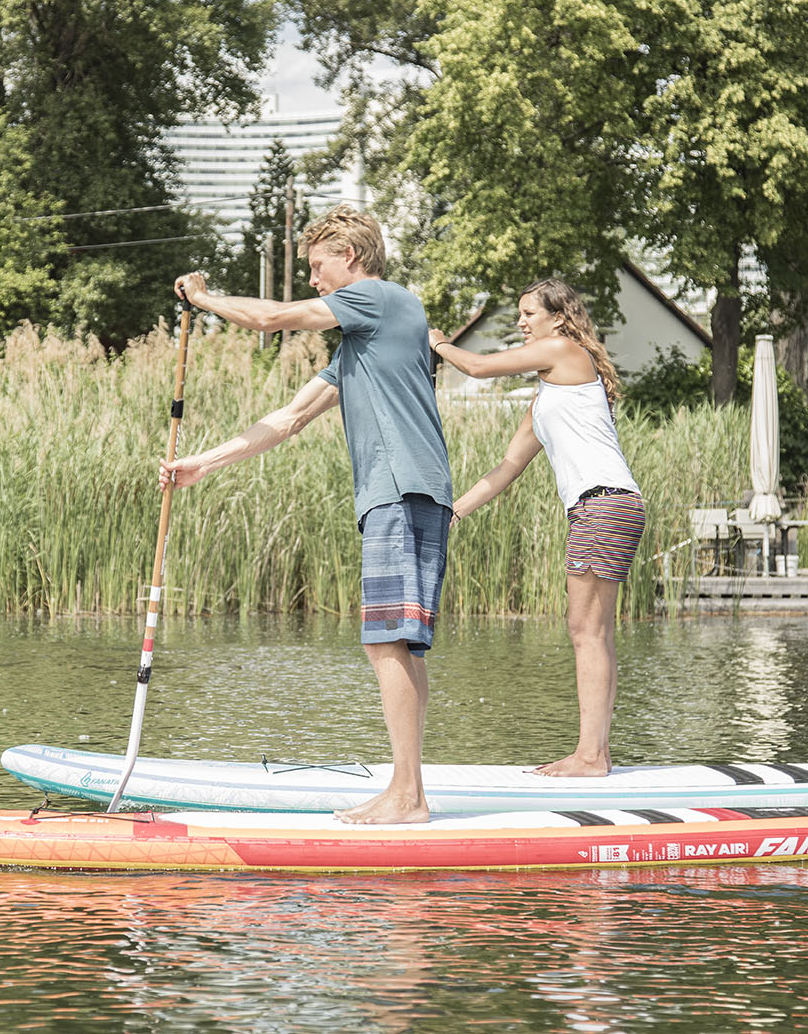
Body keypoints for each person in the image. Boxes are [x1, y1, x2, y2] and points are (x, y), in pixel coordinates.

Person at [165, 205, 454, 824]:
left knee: (388, 644)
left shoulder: (380, 299)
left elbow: (271, 318)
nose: (315, 280)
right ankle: (409, 790)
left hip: (400, 489)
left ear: (349, 257)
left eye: (318, 266)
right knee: (398, 645)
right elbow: (288, 418)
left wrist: (207, 299)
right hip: (402, 492)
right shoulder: (362, 344)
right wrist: (204, 463)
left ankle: (409, 797)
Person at [428, 278, 644, 777]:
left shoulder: (565, 350)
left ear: (559, 317)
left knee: (585, 633)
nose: (521, 322)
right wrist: (453, 512)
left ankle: (589, 756)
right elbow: (507, 466)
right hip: (612, 505)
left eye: (529, 313)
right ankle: (598, 753)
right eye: (520, 314)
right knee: (596, 633)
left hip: (601, 506)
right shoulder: (548, 397)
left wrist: (436, 339)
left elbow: (477, 366)